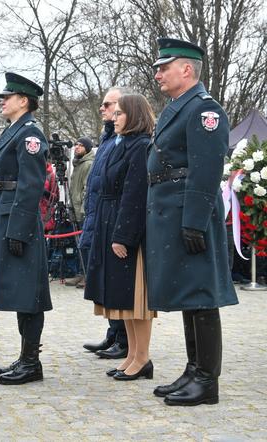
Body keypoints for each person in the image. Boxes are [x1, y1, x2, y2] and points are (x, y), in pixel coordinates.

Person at [147, 38, 238, 406]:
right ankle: (192, 369)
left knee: (202, 294)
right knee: (189, 292)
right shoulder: (178, 108)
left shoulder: (204, 110)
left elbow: (206, 168)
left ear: (187, 69)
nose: (157, 74)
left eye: (164, 67)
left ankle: (207, 380)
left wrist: (195, 220)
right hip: (174, 211)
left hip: (191, 212)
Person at [83, 94, 155, 381]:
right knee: (123, 299)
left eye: (121, 113)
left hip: (127, 229)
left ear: (134, 115)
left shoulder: (140, 146)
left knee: (136, 301)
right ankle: (132, 355)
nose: (115, 117)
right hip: (110, 220)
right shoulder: (121, 143)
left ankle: (143, 357)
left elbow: (135, 193)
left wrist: (123, 235)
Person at [0, 72, 50, 385]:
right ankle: (26, 356)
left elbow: (30, 185)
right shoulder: (13, 131)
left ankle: (31, 361)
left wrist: (18, 228)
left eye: (7, 96)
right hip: (7, 213)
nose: (2, 101)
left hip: (18, 218)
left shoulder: (29, 135)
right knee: (18, 290)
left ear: (23, 101)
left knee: (28, 294)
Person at [80, 87, 129, 359]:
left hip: (109, 220)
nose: (102, 109)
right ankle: (114, 333)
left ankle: (124, 338)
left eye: (108, 105)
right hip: (95, 218)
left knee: (114, 281)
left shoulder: (124, 139)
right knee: (101, 280)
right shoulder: (108, 139)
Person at [63, 137, 95, 287]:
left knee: (86, 244)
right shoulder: (77, 164)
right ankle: (81, 272)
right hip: (75, 209)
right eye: (76, 145)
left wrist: (83, 210)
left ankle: (88, 274)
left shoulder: (88, 164)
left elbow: (86, 189)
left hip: (83, 211)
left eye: (81, 145)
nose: (77, 147)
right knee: (78, 244)